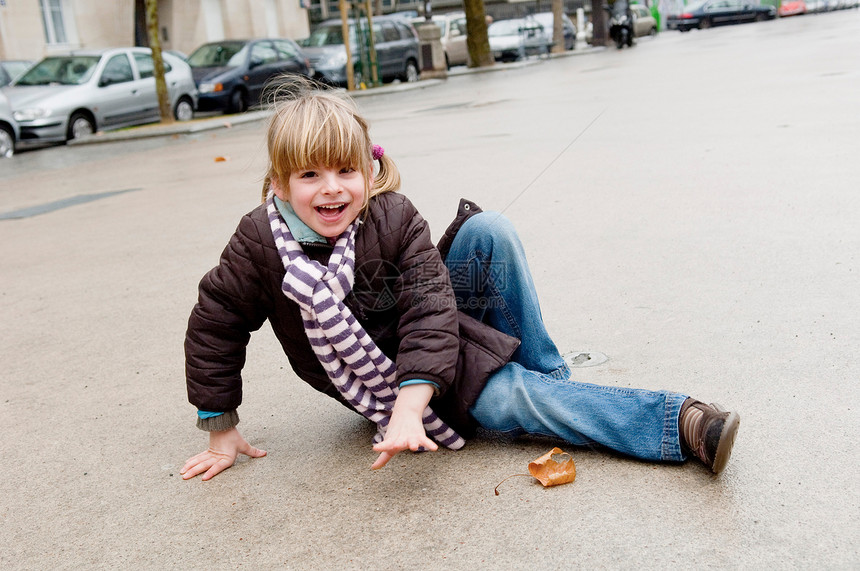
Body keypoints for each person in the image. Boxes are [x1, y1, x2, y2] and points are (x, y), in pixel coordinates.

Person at [180, 81, 740, 481]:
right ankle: (678, 422)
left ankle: (552, 380)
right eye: (310, 175)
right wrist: (219, 423)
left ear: (367, 170)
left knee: (488, 230)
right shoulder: (260, 243)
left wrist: (410, 401)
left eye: (346, 171)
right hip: (378, 371)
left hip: (427, 344)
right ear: (279, 182)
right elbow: (215, 323)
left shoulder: (392, 214)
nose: (333, 189)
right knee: (510, 400)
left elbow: (429, 309)